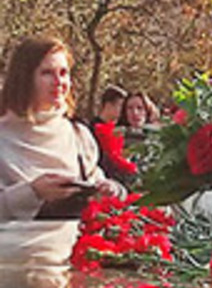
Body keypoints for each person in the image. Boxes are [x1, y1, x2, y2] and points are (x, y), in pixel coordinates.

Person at [0, 36, 123, 221]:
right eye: (47, 73)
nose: (58, 81)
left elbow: (98, 181)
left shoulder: (78, 136)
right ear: (24, 78)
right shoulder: (4, 138)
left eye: (64, 72)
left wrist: (112, 190)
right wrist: (32, 193)